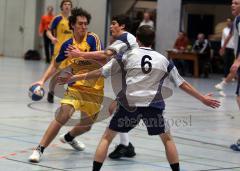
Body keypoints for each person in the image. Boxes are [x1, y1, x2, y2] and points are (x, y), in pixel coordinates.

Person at [58, 25, 220, 171]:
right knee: (168, 139)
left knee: (107, 138)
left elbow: (101, 72)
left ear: (136, 39)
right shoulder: (163, 60)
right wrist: (202, 99)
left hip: (130, 105)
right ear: (153, 40)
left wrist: (73, 78)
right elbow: (182, 83)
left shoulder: (126, 56)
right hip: (154, 106)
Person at [28, 7, 104, 163]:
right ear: (73, 25)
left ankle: (69, 137)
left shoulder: (93, 39)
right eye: (80, 24)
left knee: (87, 126)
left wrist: (80, 55)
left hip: (95, 91)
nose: (84, 27)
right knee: (63, 115)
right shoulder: (67, 44)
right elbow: (55, 64)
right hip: (75, 87)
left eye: (86, 24)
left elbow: (102, 61)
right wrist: (42, 80)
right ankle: (39, 149)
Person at [65, 14, 138, 160]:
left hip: (138, 83)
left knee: (120, 112)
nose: (110, 26)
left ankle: (126, 146)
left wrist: (80, 54)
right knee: (115, 109)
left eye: (114, 23)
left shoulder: (125, 38)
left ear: (122, 26)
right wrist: (74, 77)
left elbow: (105, 53)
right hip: (131, 83)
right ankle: (126, 145)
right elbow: (102, 70)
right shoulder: (123, 49)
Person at [219, 0, 240, 151]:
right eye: (232, 2)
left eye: (237, 3)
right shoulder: (237, 20)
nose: (233, 5)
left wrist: (238, 60)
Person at [46, 0, 73, 103]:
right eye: (65, 4)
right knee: (57, 74)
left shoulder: (73, 20)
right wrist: (52, 38)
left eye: (69, 5)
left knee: (70, 73)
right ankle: (51, 91)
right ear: (62, 7)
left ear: (71, 7)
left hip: (70, 51)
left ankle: (70, 93)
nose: (67, 6)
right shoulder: (57, 19)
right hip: (58, 51)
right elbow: (48, 31)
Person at [214, 18, 235, 96]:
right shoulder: (236, 22)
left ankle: (221, 85)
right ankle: (222, 84)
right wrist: (223, 47)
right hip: (232, 49)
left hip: (234, 48)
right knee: (231, 66)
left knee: (235, 70)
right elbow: (228, 37)